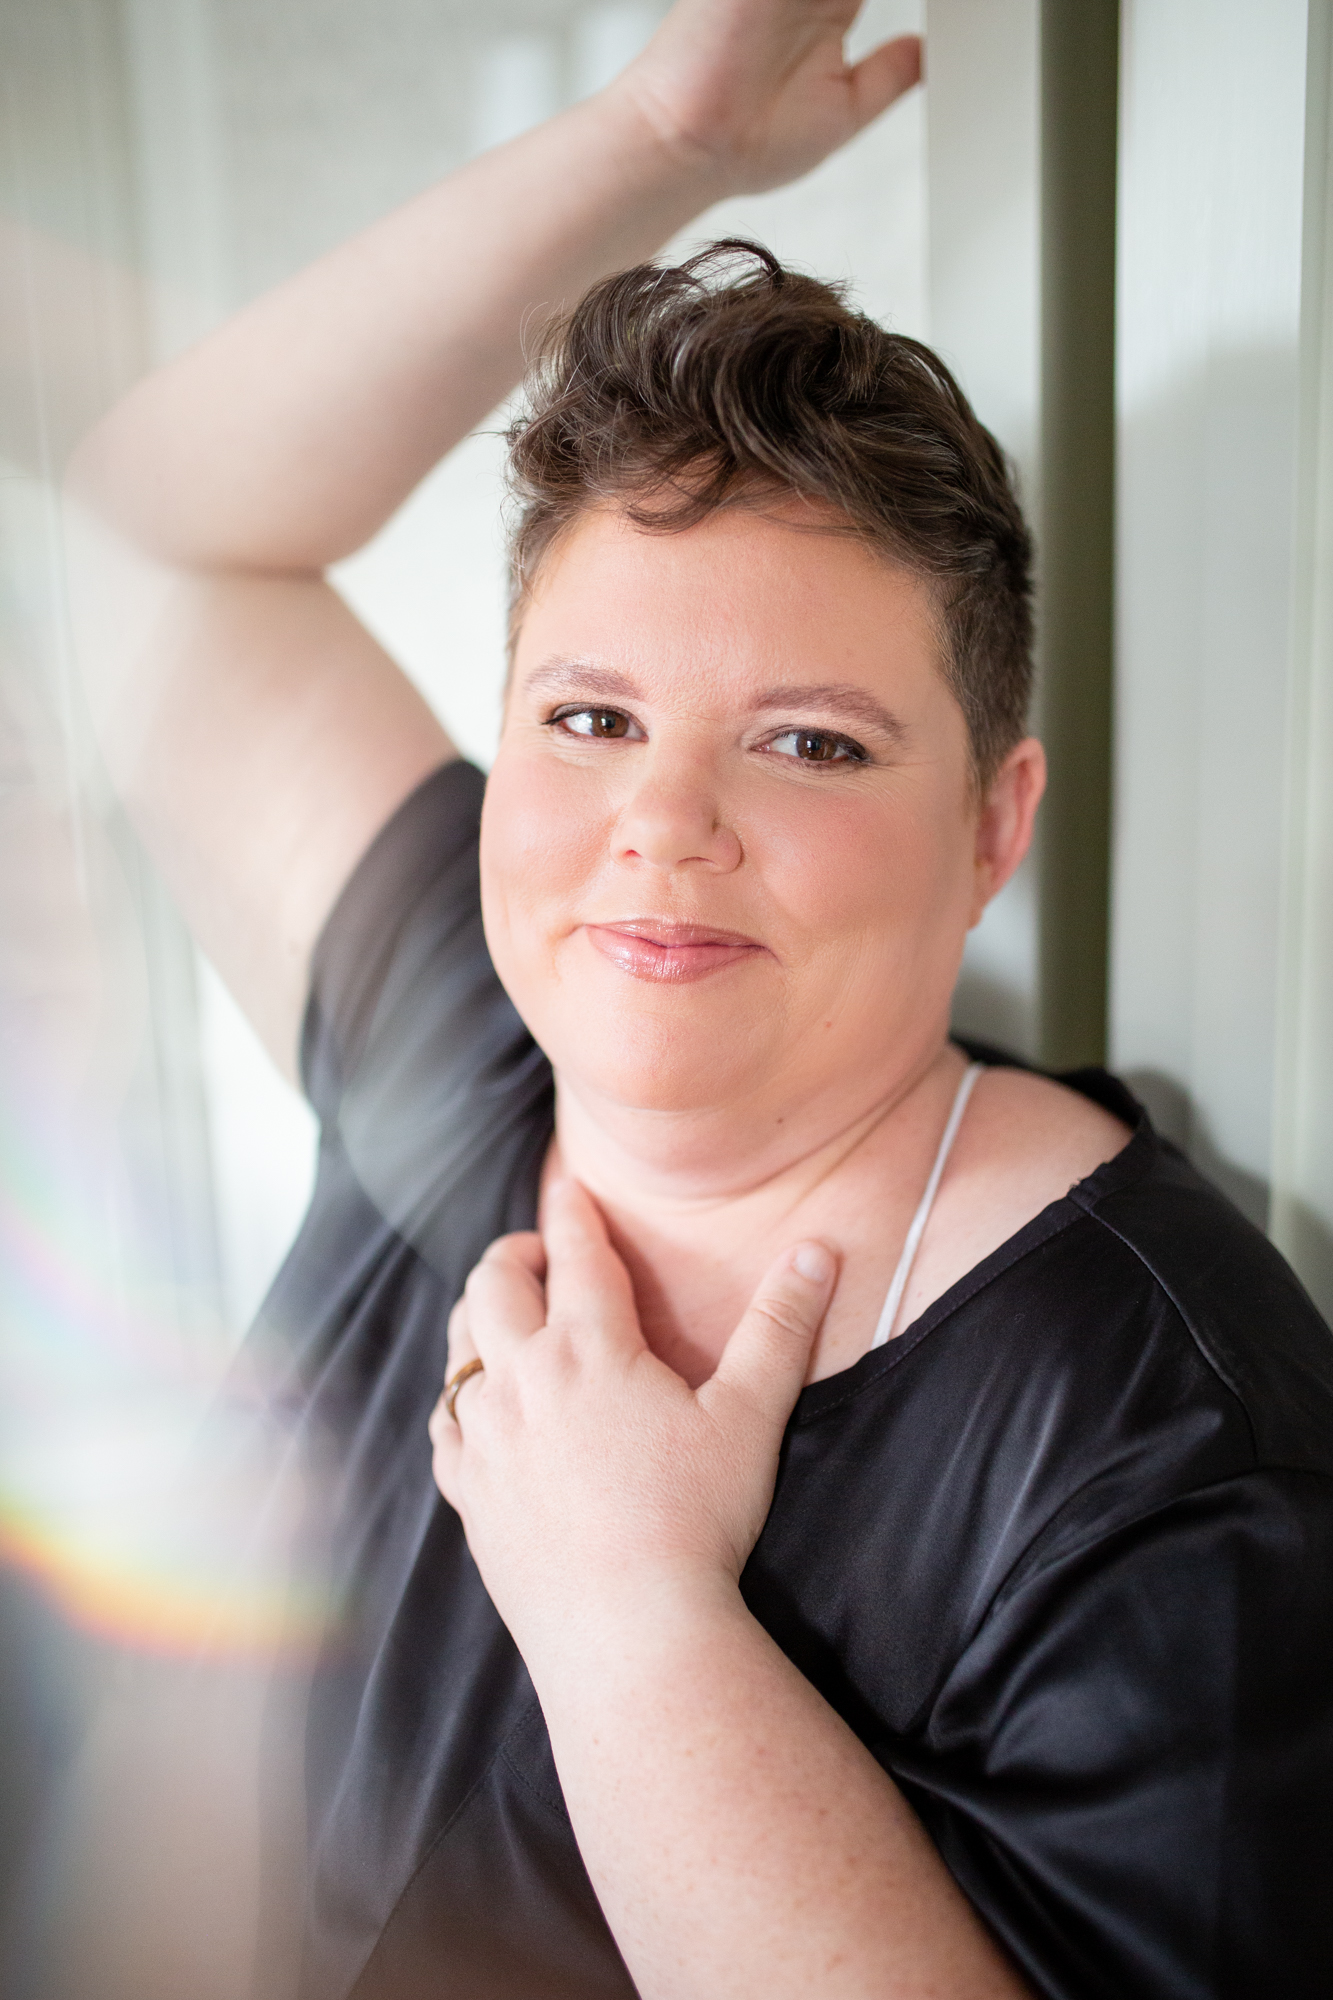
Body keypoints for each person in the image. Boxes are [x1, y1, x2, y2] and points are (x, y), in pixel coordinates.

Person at [68, 3, 1333, 1996]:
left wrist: (631, 1616)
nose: (659, 826)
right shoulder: (458, 1034)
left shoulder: (1165, 1438)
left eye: (809, 744)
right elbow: (152, 534)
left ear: (992, 824)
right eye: (589, 718)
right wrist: (658, 145)